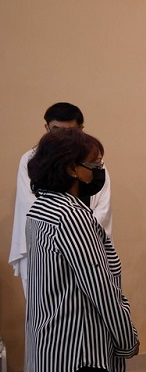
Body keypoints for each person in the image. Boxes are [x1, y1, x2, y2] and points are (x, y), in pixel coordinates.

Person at [24, 128, 138, 372]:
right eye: (96, 166)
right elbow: (100, 288)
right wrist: (127, 339)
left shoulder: (41, 208)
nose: (99, 173)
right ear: (73, 168)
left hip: (53, 346)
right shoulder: (73, 216)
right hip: (80, 351)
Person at [10, 102, 112, 282]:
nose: (63, 138)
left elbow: (102, 207)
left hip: (86, 246)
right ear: (46, 128)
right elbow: (32, 205)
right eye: (57, 130)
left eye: (70, 132)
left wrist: (81, 236)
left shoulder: (93, 162)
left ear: (80, 130)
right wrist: (71, 228)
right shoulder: (32, 159)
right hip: (46, 245)